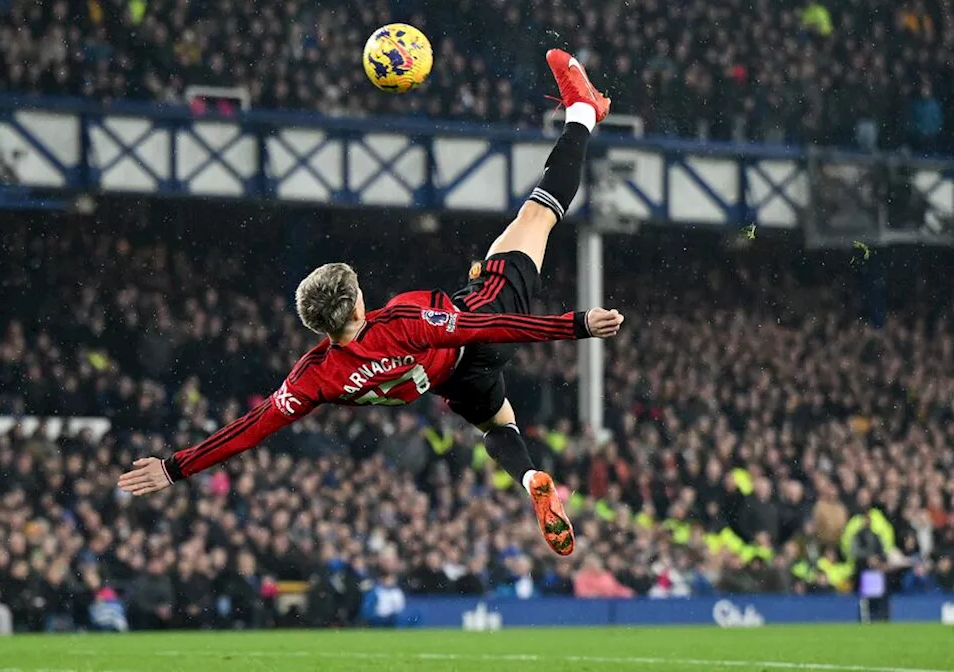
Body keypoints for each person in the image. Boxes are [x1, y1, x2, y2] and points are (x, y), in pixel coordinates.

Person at [120, 49, 618, 558]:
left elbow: (250, 429)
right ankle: (583, 111)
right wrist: (577, 324)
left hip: (452, 381)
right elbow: (478, 329)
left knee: (498, 423)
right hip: (480, 328)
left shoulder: (315, 376)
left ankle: (530, 474)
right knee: (538, 215)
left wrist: (175, 467)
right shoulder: (400, 320)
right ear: (358, 304)